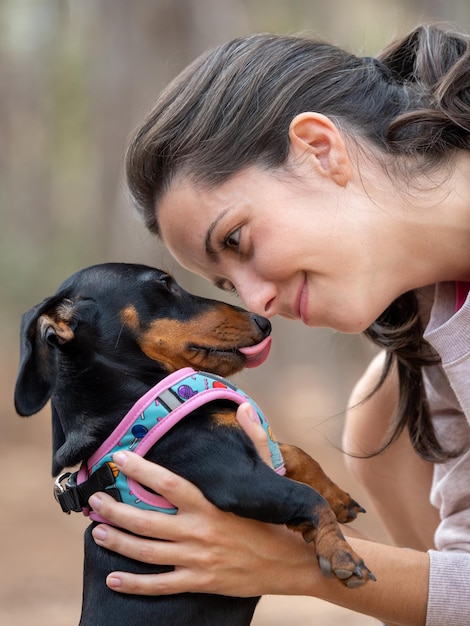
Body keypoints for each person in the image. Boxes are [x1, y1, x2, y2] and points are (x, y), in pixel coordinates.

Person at [87, 23, 470, 625]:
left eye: (236, 240)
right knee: (382, 411)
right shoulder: (435, 327)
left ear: (320, 148)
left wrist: (292, 564)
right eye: (226, 286)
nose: (256, 302)